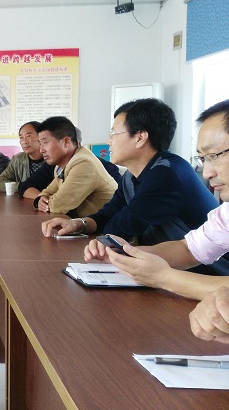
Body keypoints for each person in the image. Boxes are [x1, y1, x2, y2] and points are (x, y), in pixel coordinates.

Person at [84, 99, 229, 303]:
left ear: (140, 137)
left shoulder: (168, 173)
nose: (207, 173)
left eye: (214, 156)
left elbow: (125, 223)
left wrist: (165, 278)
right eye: (203, 159)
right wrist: (126, 255)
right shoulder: (226, 212)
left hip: (209, 277)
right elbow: (189, 249)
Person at [43, 99, 219, 249]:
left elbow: (121, 228)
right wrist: (77, 224)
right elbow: (107, 216)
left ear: (140, 137)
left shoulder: (167, 174)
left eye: (113, 133)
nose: (108, 141)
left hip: (206, 271)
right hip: (167, 267)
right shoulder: (131, 176)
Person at [33, 116, 117, 217]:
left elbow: (58, 206)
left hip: (104, 225)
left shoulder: (84, 164)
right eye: (40, 144)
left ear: (66, 142)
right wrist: (40, 199)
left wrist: (46, 202)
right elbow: (48, 191)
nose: (41, 150)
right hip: (84, 223)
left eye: (45, 143)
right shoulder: (61, 165)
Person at [0, 121, 45, 193]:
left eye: (28, 136)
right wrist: (22, 186)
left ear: (41, 137)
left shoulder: (53, 159)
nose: (24, 142)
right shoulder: (17, 159)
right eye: (21, 137)